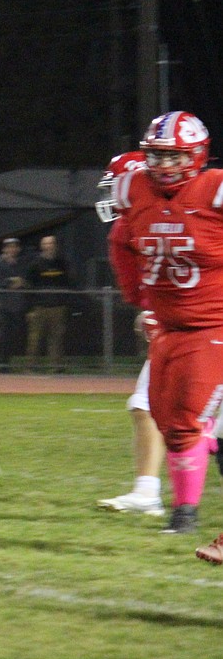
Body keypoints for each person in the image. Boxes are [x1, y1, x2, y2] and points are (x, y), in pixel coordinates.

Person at [107, 111, 223, 536]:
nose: (163, 166)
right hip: (168, 327)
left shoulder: (214, 188)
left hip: (214, 324)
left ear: (196, 155)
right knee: (167, 420)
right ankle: (191, 485)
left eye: (173, 156)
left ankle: (185, 513)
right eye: (155, 156)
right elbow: (120, 240)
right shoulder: (133, 189)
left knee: (188, 415)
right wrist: (138, 297)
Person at [93, 151, 165, 516]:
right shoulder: (125, 230)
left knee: (151, 406)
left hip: (202, 323)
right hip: (182, 323)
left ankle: (156, 496)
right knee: (147, 406)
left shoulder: (188, 212)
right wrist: (151, 311)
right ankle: (151, 493)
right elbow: (140, 291)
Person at [24, 235, 73, 373]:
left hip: (57, 307)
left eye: (51, 243)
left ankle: (56, 367)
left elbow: (68, 283)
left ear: (55, 245)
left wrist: (65, 302)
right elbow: (28, 286)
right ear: (42, 246)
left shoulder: (61, 263)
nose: (48, 246)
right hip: (39, 307)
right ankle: (30, 367)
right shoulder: (35, 264)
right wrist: (30, 308)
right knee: (35, 339)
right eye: (46, 244)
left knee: (57, 338)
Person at [0, 237, 28, 373]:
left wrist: (15, 283)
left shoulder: (20, 264)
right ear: (4, 249)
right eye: (9, 247)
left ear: (18, 249)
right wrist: (11, 282)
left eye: (14, 247)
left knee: (10, 338)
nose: (12, 249)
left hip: (14, 307)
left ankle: (4, 366)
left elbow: (24, 282)